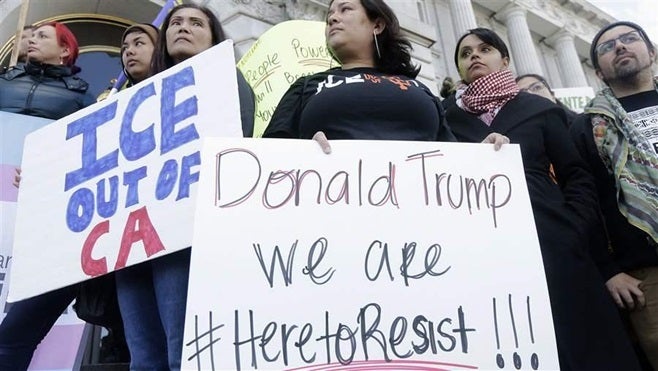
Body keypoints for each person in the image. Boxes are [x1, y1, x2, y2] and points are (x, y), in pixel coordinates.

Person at [443, 27, 641, 371]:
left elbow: (575, 174)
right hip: (485, 252)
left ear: (504, 60)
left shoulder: (536, 108)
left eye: (484, 48)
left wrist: (573, 226)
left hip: (554, 242)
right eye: (465, 53)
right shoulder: (445, 116)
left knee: (583, 345)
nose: (474, 55)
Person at [114, 5, 254, 370]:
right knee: (143, 355)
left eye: (195, 23)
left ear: (214, 37)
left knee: (184, 351)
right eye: (175, 22)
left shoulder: (227, 81)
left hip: (185, 236)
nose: (183, 28)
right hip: (131, 243)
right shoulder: (133, 98)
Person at [0, 22, 96, 370]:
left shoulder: (82, 100)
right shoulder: (4, 82)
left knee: (14, 333)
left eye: (42, 36)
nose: (31, 40)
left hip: (42, 222)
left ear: (66, 50)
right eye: (31, 35)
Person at [570, 21, 658, 370]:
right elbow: (585, 200)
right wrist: (607, 270)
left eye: (629, 39)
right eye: (608, 47)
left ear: (650, 52)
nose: (619, 47)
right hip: (646, 274)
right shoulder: (586, 126)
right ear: (598, 72)